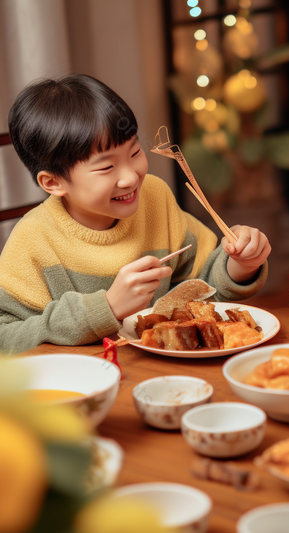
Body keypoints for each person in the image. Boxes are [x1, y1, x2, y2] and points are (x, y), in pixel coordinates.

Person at [0, 74, 271, 355]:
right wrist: (105, 308)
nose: (130, 177)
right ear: (53, 182)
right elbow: (5, 338)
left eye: (134, 152)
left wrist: (240, 264)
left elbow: (202, 290)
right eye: (106, 168)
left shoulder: (154, 197)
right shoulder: (32, 241)